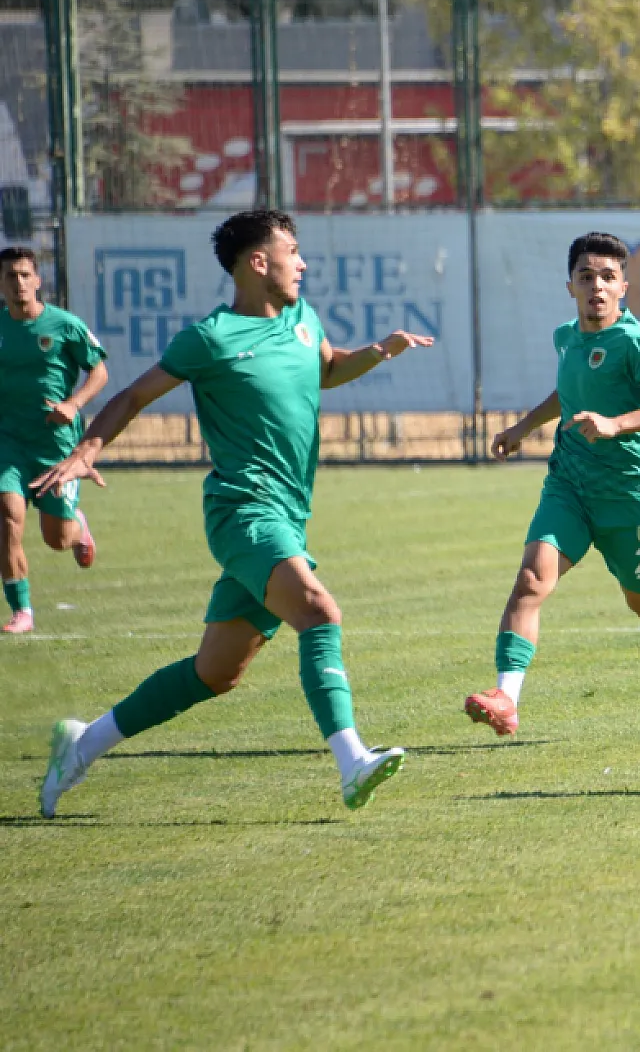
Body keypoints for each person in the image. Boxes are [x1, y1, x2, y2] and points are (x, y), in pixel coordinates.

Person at [33, 210, 433, 817]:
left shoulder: (303, 318)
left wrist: (378, 351)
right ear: (258, 262)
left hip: (287, 515)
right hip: (242, 511)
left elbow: (326, 368)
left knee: (214, 673)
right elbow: (135, 394)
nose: (302, 262)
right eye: (292, 251)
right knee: (319, 611)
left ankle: (84, 742)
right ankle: (352, 760)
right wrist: (86, 450)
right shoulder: (210, 338)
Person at [464, 232, 640, 738]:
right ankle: (506, 697)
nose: (597, 287)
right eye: (586, 276)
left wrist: (616, 423)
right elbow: (567, 391)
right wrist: (522, 429)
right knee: (530, 580)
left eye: (608, 277)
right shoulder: (566, 337)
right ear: (570, 286)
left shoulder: (636, 343)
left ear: (623, 287)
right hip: (569, 484)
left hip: (626, 496)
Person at [0, 246, 108, 633]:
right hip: (7, 443)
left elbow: (99, 372)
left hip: (55, 447)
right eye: (10, 276)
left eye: (25, 275)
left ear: (38, 280)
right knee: (7, 515)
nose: (18, 283)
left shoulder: (64, 325)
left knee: (57, 539)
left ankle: (77, 523)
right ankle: (22, 610)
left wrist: (73, 404)